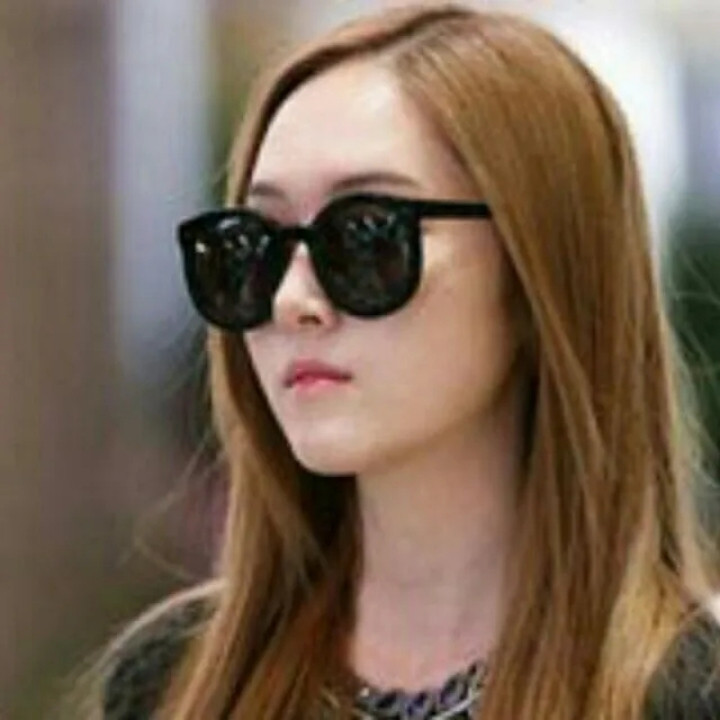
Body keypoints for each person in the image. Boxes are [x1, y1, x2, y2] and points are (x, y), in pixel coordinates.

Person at [87, 4, 720, 719]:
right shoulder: (178, 682)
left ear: (536, 268)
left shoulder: (686, 696)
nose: (291, 300)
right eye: (251, 247)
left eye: (366, 238)